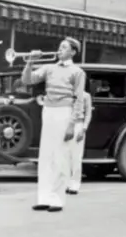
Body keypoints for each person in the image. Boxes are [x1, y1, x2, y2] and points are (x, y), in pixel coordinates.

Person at [21, 38, 86, 212]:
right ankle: (44, 198)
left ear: (73, 52)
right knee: (46, 156)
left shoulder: (77, 72)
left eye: (64, 47)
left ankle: (57, 199)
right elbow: (27, 80)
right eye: (59, 46)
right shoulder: (49, 68)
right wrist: (30, 62)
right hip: (48, 111)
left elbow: (79, 100)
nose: (60, 49)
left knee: (61, 156)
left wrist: (72, 124)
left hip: (65, 112)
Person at [66, 88, 92, 195]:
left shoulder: (85, 96)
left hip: (78, 124)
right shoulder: (66, 94)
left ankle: (75, 184)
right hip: (66, 125)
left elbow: (88, 113)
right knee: (65, 156)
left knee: (76, 156)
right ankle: (66, 183)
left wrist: (84, 128)